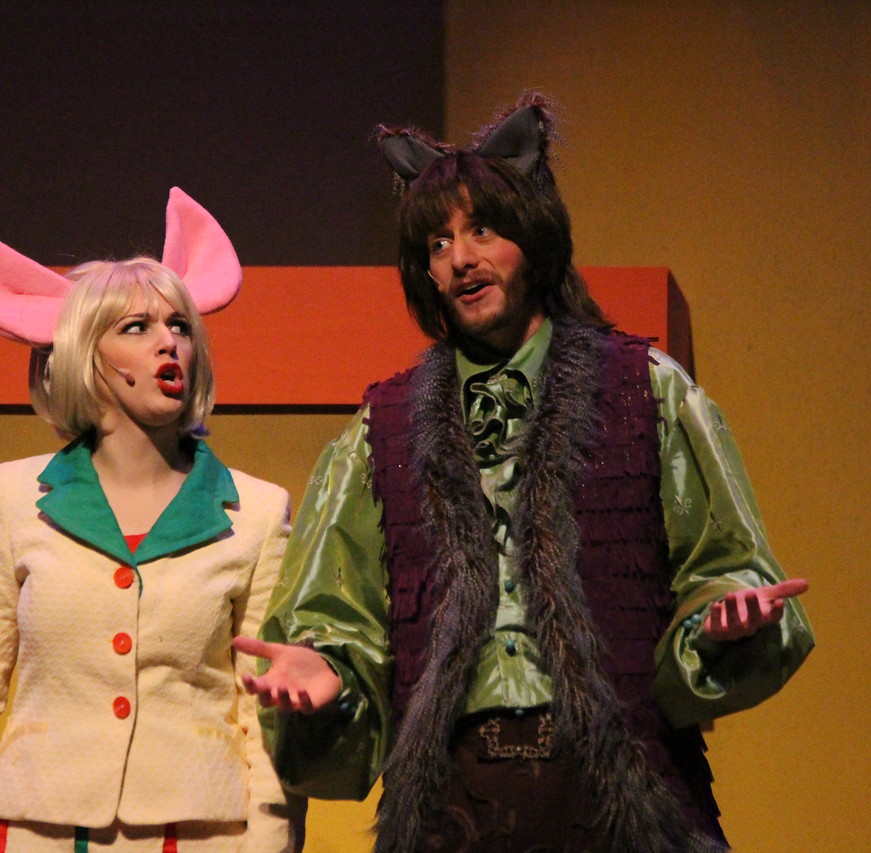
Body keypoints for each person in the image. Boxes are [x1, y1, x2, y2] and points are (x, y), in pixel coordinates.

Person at [233, 95, 814, 852]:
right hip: (451, 804)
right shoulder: (380, 430)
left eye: (482, 230)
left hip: (620, 797)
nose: (461, 258)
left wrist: (721, 615)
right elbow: (337, 616)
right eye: (439, 242)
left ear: (532, 239)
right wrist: (328, 672)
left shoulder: (647, 391)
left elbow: (723, 563)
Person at [0, 189, 298, 853]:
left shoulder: (256, 512)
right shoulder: (15, 497)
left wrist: (272, 843)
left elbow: (265, 710)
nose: (168, 341)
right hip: (37, 833)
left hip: (196, 838)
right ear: (85, 352)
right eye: (136, 328)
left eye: (180, 325)